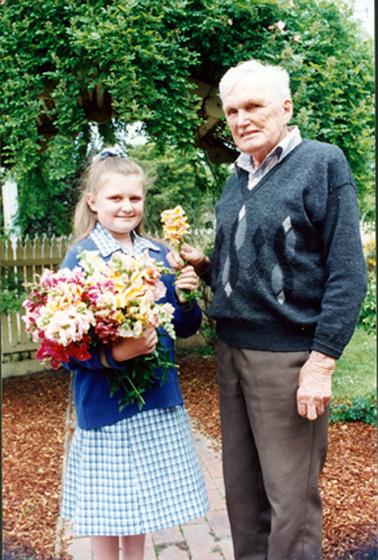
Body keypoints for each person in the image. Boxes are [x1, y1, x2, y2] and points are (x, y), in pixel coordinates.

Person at [168, 60, 367, 560]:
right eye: (232, 110)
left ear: (286, 107)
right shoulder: (237, 176)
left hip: (288, 361)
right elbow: (260, 270)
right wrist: (208, 266)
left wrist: (320, 364)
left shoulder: (322, 164)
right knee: (243, 497)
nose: (241, 119)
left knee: (290, 505)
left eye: (254, 106)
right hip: (232, 353)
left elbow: (347, 273)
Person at [60, 146, 208, 560]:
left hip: (156, 398)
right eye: (115, 198)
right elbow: (64, 347)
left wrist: (186, 297)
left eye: (135, 198)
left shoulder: (160, 254)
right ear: (93, 202)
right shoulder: (82, 257)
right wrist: (114, 356)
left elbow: (185, 327)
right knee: (108, 512)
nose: (127, 207)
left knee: (140, 508)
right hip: (105, 405)